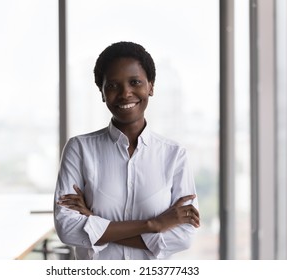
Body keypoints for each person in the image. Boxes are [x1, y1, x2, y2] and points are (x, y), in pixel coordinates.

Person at [53, 41, 200, 260]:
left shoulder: (174, 155)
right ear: (102, 93)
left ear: (150, 86)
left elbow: (184, 236)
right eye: (112, 85)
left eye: (135, 82)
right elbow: (67, 228)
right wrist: (155, 225)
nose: (125, 93)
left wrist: (94, 223)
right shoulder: (79, 149)